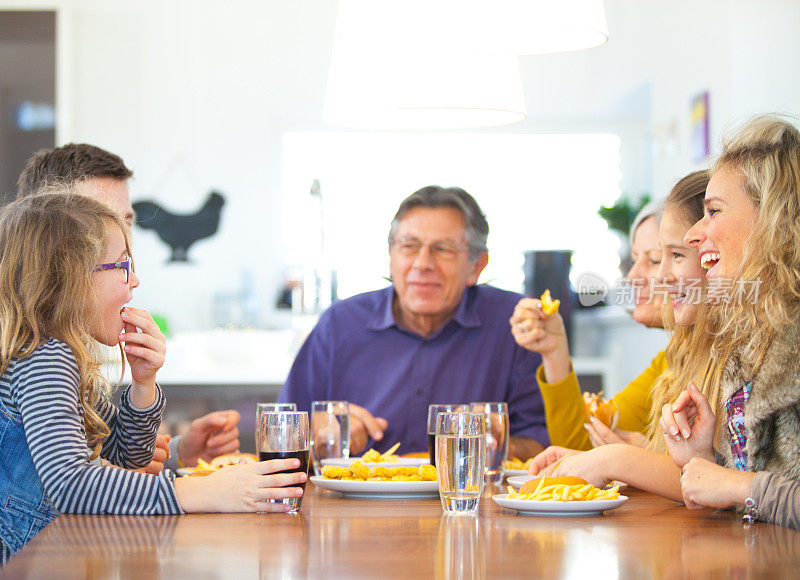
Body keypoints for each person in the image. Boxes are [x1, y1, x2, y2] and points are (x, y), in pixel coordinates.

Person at [0, 192, 306, 563]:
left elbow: (129, 459)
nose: (136, 281)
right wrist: (201, 491)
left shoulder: (66, 357)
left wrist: (144, 384)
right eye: (123, 266)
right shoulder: (45, 357)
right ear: (71, 277)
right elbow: (70, 483)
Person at [16, 143, 241, 473]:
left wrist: (179, 451)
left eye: (125, 221)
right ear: (48, 235)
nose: (119, 236)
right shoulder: (37, 354)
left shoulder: (70, 348)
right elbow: (74, 482)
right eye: (96, 220)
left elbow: (116, 454)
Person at [278, 185, 548, 457]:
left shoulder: (514, 323)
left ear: (476, 266)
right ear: (391, 258)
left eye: (443, 249)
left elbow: (544, 445)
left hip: (468, 498)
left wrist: (493, 443)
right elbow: (281, 435)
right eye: (409, 246)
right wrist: (321, 439)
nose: (422, 263)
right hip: (355, 499)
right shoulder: (339, 324)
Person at [527, 170, 711, 500]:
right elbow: (586, 442)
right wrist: (555, 352)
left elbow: (729, 481)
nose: (633, 276)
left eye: (656, 259)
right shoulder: (674, 360)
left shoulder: (727, 360)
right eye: (649, 259)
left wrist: (631, 458)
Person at [660, 115, 800, 530]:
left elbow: (754, 490)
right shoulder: (749, 340)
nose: (694, 234)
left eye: (713, 211)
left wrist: (741, 486)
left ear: (774, 220)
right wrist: (703, 461)